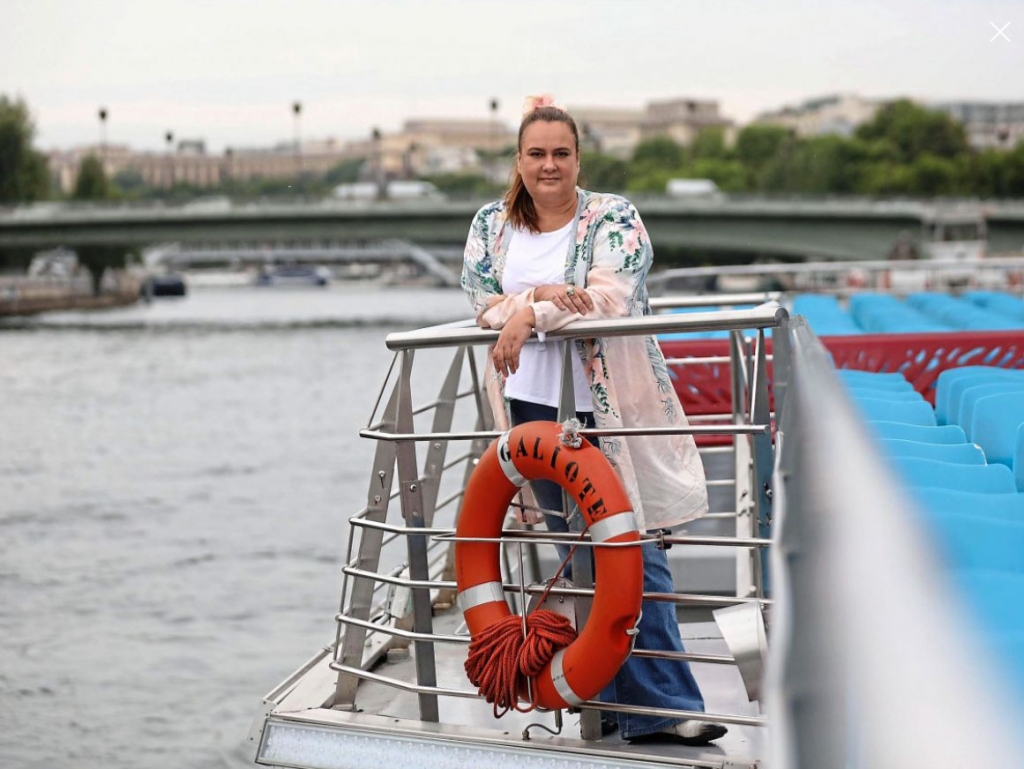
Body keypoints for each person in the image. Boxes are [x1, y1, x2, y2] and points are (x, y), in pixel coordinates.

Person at [460, 95, 727, 747]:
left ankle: (662, 706)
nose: (548, 165)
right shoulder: (492, 223)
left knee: (633, 552)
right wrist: (538, 299)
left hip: (606, 411)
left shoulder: (614, 218)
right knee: (579, 559)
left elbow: (608, 295)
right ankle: (613, 700)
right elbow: (479, 300)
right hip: (531, 413)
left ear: (578, 158)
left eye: (560, 153)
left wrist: (529, 315)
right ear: (518, 161)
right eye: (536, 154)